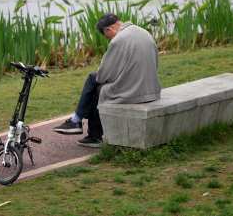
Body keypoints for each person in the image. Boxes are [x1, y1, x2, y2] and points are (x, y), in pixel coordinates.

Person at [53, 13, 161, 147]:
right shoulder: (143, 32)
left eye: (106, 36)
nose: (108, 39)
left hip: (134, 92)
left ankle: (88, 131)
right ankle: (78, 121)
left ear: (108, 30)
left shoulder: (118, 40)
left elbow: (102, 75)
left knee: (95, 83)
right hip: (152, 89)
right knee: (97, 84)